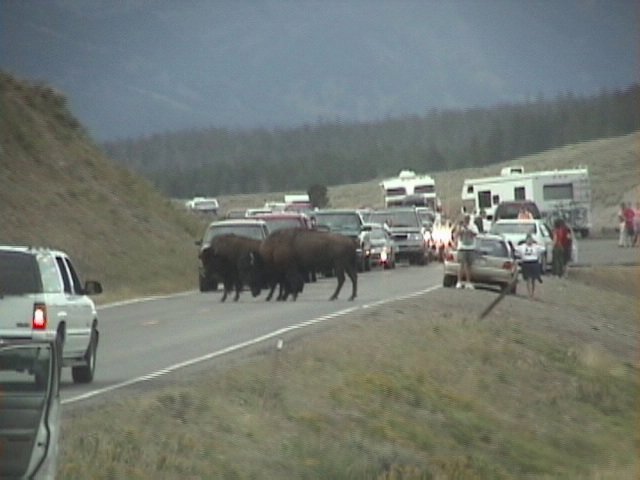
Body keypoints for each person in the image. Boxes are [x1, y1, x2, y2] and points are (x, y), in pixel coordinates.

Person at [454, 214, 479, 289]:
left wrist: (468, 229)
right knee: (461, 265)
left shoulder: (473, 226)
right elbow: (456, 234)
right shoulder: (460, 226)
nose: (466, 220)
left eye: (467, 219)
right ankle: (459, 282)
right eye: (465, 218)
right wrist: (460, 228)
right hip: (462, 248)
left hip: (470, 247)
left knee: (469, 266)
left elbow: (475, 234)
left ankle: (468, 282)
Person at [516, 233, 544, 299]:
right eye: (528, 240)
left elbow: (543, 249)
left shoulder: (536, 247)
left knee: (533, 279)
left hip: (534, 263)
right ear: (526, 240)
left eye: (531, 240)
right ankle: (529, 293)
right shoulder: (522, 246)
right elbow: (516, 250)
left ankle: (533, 293)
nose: (530, 241)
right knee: (528, 279)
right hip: (526, 263)